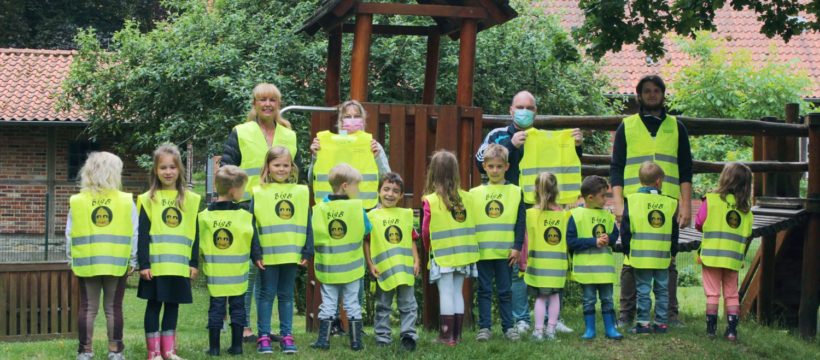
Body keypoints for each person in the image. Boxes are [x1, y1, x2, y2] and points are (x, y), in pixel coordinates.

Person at [475, 91, 580, 334]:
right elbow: (479, 158)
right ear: (511, 110)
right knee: (517, 266)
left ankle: (553, 318)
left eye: (529, 107)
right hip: (512, 208)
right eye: (519, 106)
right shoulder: (498, 134)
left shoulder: (547, 137)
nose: (524, 111)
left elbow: (567, 164)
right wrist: (508, 146)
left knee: (552, 260)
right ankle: (521, 318)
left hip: (545, 208)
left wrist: (577, 144)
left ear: (536, 112)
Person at [611, 75, 693, 328]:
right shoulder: (627, 125)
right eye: (646, 91)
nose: (652, 94)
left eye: (656, 90)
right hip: (634, 204)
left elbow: (686, 168)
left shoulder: (676, 126)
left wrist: (686, 204)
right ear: (639, 95)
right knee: (630, 257)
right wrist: (618, 203)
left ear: (663, 94)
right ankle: (626, 313)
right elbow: (616, 166)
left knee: (667, 255)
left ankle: (669, 314)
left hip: (667, 203)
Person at [221, 83, 300, 341]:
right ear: (254, 104)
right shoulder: (241, 132)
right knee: (249, 271)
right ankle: (243, 326)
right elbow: (226, 167)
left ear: (278, 104)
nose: (267, 104)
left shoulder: (290, 135)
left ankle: (265, 329)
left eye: (272, 100)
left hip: (278, 213)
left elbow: (294, 171)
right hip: (245, 207)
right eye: (262, 99)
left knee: (266, 270)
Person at [66, 152, 137, 360]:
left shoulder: (78, 201)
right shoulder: (126, 201)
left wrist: (71, 258)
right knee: (113, 308)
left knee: (88, 308)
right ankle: (115, 352)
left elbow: (69, 233)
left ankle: (85, 352)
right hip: (117, 263)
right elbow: (134, 231)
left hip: (87, 263)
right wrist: (132, 259)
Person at [137, 144, 201, 360]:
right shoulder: (148, 199)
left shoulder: (190, 200)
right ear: (155, 170)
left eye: (172, 167)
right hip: (155, 266)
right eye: (163, 167)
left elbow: (195, 233)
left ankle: (169, 351)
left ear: (179, 169)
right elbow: (143, 235)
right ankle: (153, 352)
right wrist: (144, 264)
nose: (168, 172)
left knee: (173, 306)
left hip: (179, 265)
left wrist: (193, 263)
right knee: (153, 306)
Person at [251, 146, 313, 354]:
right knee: (266, 294)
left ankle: (287, 336)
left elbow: (307, 221)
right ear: (267, 167)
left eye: (285, 165)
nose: (281, 169)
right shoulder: (258, 192)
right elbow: (252, 224)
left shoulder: (301, 192)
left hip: (291, 253)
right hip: (267, 255)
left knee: (286, 295)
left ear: (292, 167)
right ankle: (264, 336)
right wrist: (256, 252)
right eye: (277, 165)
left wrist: (307, 250)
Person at [200, 166, 263, 356]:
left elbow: (198, 245)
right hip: (238, 273)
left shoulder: (204, 217)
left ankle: (214, 348)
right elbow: (254, 241)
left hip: (215, 274)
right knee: (238, 308)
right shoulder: (245, 216)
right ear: (233, 190)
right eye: (243, 188)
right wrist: (257, 257)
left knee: (216, 308)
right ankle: (237, 347)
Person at [310, 164, 371, 351]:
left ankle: (323, 341)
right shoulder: (356, 208)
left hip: (329, 268)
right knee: (353, 304)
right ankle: (356, 342)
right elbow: (367, 229)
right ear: (345, 186)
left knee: (328, 304)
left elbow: (315, 235)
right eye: (356, 186)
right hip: (352, 268)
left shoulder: (320, 208)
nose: (358, 190)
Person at [422, 150, 479, 346]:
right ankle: (457, 335)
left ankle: (446, 337)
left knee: (445, 293)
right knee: (457, 292)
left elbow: (425, 231)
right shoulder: (468, 198)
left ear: (433, 172)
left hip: (442, 254)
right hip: (464, 254)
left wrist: (428, 248)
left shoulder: (431, 200)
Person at [469, 144, 524, 342]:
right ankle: (484, 328)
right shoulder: (473, 193)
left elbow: (520, 222)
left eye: (499, 166)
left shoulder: (516, 191)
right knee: (483, 291)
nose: (494, 170)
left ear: (507, 167)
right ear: (484, 166)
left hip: (506, 253)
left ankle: (509, 327)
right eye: (491, 166)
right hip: (482, 252)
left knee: (505, 291)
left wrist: (517, 247)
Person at [695, 163, 753, 341]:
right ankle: (731, 332)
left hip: (712, 256)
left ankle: (711, 331)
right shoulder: (746, 209)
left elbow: (699, 223)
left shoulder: (711, 200)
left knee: (713, 293)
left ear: (725, 178)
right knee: (732, 294)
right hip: (733, 259)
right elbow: (749, 233)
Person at [620, 162, 679, 335]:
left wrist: (626, 251)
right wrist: (673, 253)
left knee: (643, 290)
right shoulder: (669, 203)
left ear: (640, 180)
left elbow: (625, 230)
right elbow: (674, 232)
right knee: (662, 290)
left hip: (640, 256)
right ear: (658, 182)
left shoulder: (631, 200)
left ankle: (643, 324)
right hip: (662, 257)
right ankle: (661, 324)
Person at [364, 172, 420, 351]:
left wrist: (416, 260)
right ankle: (382, 337)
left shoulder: (405, 215)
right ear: (379, 191)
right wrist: (370, 264)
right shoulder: (371, 216)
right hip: (383, 268)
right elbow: (366, 241)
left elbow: (411, 239)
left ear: (401, 195)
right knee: (383, 304)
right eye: (386, 189)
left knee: (408, 304)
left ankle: (408, 336)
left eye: (395, 191)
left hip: (404, 268)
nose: (390, 194)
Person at [567, 176, 623, 340]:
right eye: (603, 196)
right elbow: (571, 241)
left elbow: (615, 234)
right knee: (589, 300)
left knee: (607, 299)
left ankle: (610, 329)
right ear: (590, 198)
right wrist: (594, 241)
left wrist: (609, 238)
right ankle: (590, 330)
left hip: (604, 270)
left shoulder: (607, 215)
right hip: (587, 271)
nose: (606, 199)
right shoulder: (576, 215)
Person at [310, 100, 391, 209]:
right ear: (341, 121)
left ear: (363, 120)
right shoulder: (324, 145)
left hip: (364, 210)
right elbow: (311, 180)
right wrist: (315, 157)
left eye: (357, 116)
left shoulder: (372, 145)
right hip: (332, 208)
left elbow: (387, 179)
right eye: (347, 116)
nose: (352, 120)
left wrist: (377, 158)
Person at [523, 172, 570, 341]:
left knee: (541, 298)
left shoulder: (530, 214)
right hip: (557, 265)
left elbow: (525, 241)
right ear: (556, 190)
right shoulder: (564, 215)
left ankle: (538, 331)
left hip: (537, 265)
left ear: (536, 189)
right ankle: (551, 330)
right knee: (555, 296)